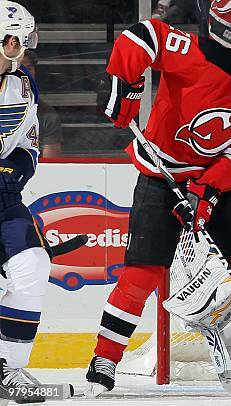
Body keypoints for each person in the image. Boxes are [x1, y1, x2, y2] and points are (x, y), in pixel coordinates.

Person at [84, 14, 231, 395]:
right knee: (143, 272)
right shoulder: (201, 55)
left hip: (213, 186)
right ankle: (105, 357)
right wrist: (128, 85)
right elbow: (142, 35)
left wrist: (205, 191)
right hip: (161, 179)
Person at [0, 2, 51, 403]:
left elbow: (28, 142)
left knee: (31, 266)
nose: (23, 46)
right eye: (19, 38)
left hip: (3, 197)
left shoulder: (23, 84)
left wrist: (16, 169)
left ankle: (9, 368)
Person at [21, 50, 63, 158]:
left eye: (28, 69)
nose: (24, 73)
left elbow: (50, 163)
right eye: (18, 69)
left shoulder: (46, 114)